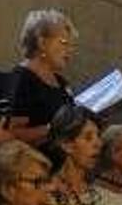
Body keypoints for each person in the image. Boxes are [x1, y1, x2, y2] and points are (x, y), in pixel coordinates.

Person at [8, 9, 77, 145]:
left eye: (72, 45)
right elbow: (11, 133)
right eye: (63, 43)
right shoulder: (22, 78)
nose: (70, 50)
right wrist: (52, 129)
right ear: (42, 43)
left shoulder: (62, 83)